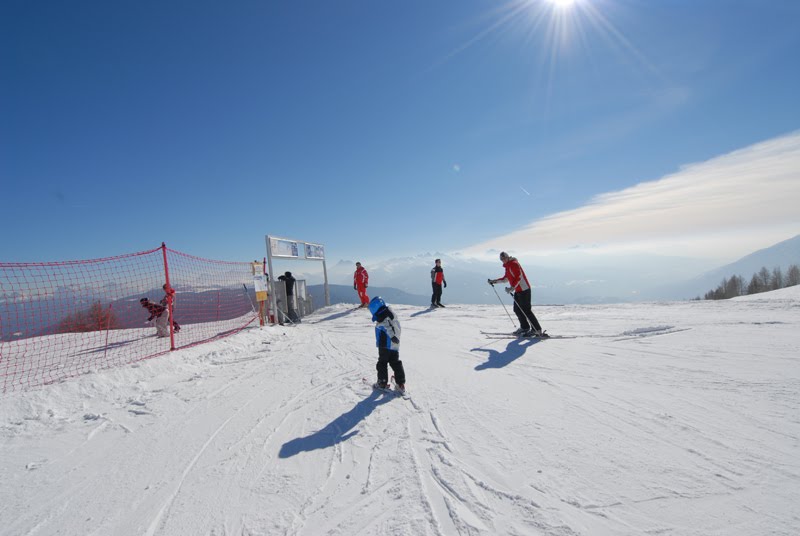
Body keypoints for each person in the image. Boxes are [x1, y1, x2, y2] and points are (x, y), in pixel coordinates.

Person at [488, 251, 547, 337]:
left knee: (526, 310)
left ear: (508, 257)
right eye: (501, 259)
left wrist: (512, 288)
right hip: (518, 290)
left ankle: (536, 329)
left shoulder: (514, 264)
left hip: (524, 289)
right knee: (517, 309)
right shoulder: (507, 267)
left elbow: (519, 277)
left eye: (504, 258)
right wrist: (494, 281)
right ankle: (525, 327)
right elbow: (505, 279)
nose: (503, 260)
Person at [368, 296, 405, 392]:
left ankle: (382, 382)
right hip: (395, 345)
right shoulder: (390, 312)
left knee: (382, 363)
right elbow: (394, 326)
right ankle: (400, 383)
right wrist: (395, 338)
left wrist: (392, 336)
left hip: (385, 344)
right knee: (395, 362)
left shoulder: (381, 317)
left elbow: (387, 326)